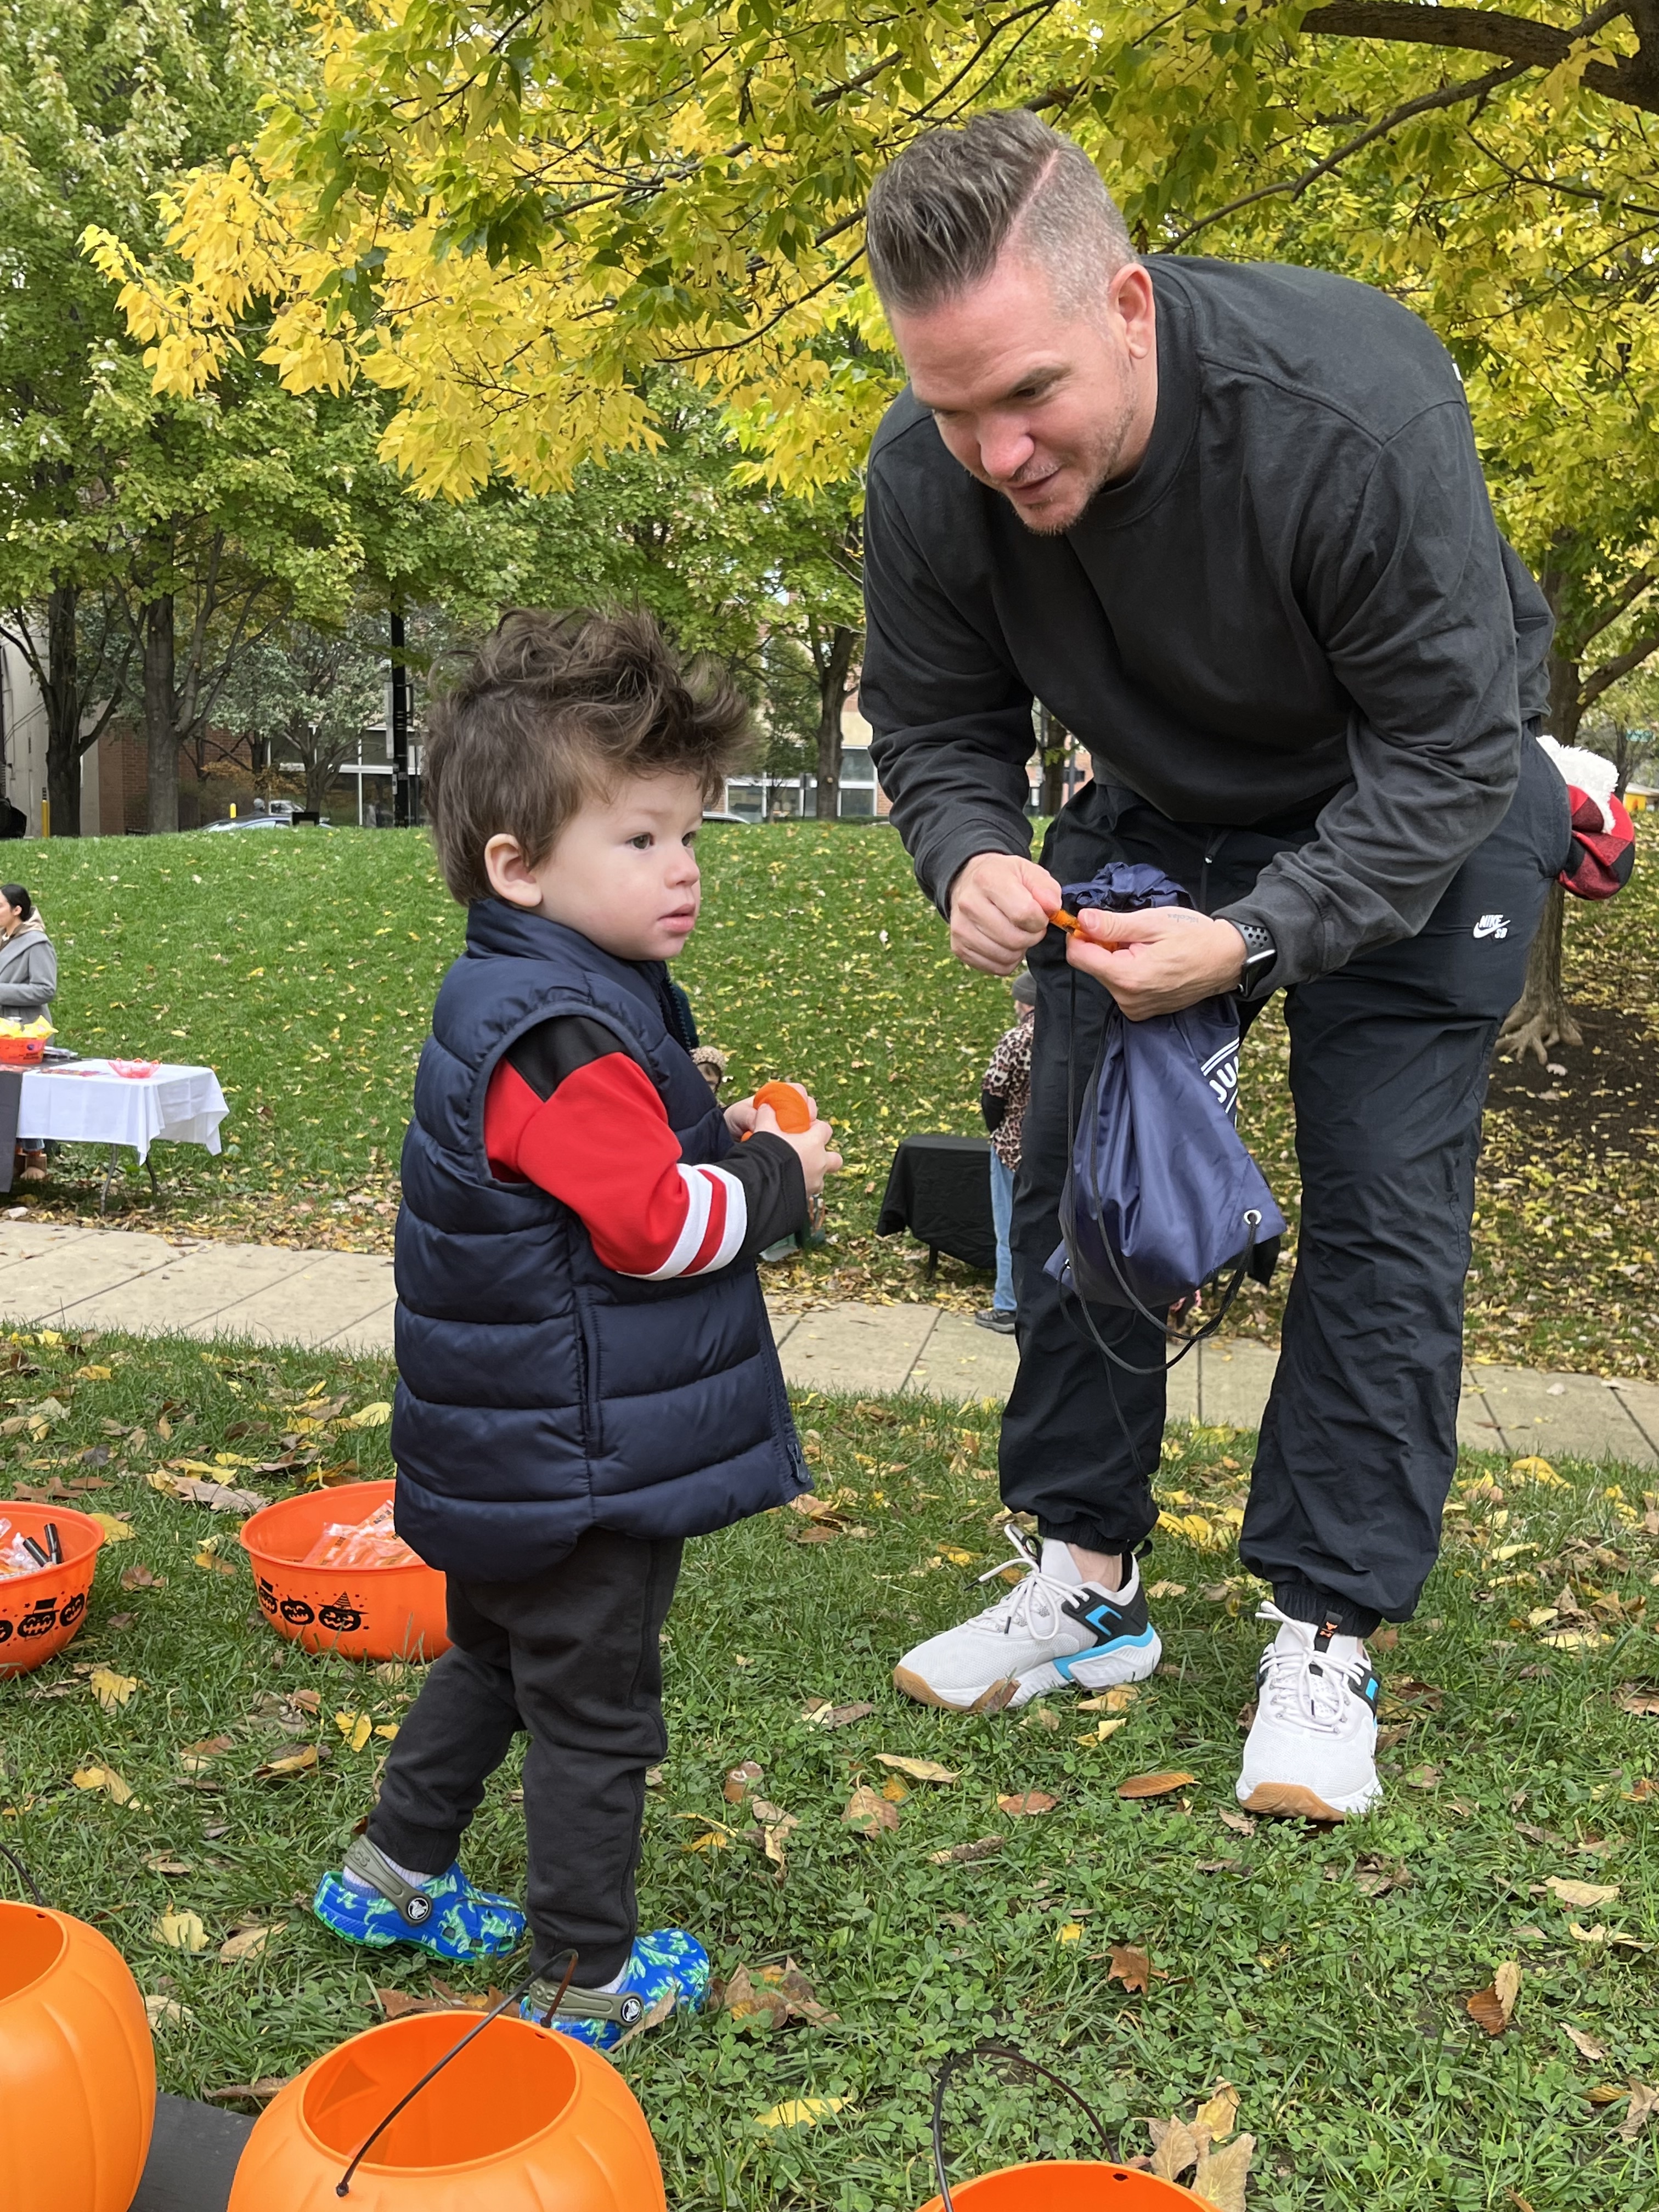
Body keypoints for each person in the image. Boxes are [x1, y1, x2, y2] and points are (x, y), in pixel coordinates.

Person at [860, 112, 1570, 1821]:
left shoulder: (1353, 409)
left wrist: (1259, 938)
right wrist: (969, 854)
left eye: (1026, 394)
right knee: (1085, 1166)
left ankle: (1326, 1632)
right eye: (951, 407)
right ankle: (1085, 1583)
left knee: (1385, 1205)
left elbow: (1452, 748)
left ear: (1127, 303)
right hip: (1167, 800)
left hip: (1425, 800)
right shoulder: (929, 469)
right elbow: (940, 722)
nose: (996, 452)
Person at [311, 608, 841, 2040]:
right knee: (594, 1709)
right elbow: (658, 1226)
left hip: (517, 1449)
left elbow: (600, 1162)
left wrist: (701, 1117)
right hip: (580, 1464)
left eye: (689, 836)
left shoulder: (543, 995)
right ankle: (582, 1975)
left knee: (494, 1659)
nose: (684, 872)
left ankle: (391, 1871)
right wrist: (779, 1176)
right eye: (644, 839)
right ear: (519, 864)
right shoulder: (562, 1032)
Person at [976, 968, 1036, 1334]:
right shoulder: (1065, 1036)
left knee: (1008, 1228)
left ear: (1023, 1001)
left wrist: (997, 1129)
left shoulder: (1015, 1040)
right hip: (1054, 1149)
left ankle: (1008, 1306)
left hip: (1012, 1147)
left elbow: (992, 1094)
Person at [0, 886, 57, 1183]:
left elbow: (46, 988)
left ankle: (36, 1154)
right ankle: (11, 1155)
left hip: (26, 1034)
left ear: (17, 910)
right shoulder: (4, 940)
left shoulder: (36, 943)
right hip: (3, 1033)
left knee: (26, 1094)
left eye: (0, 906)